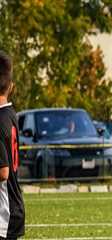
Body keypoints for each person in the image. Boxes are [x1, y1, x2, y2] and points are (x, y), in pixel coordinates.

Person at [0, 51, 25, 239]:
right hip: (14, 203)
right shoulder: (11, 114)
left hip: (3, 212)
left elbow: (3, 172)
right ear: (11, 86)